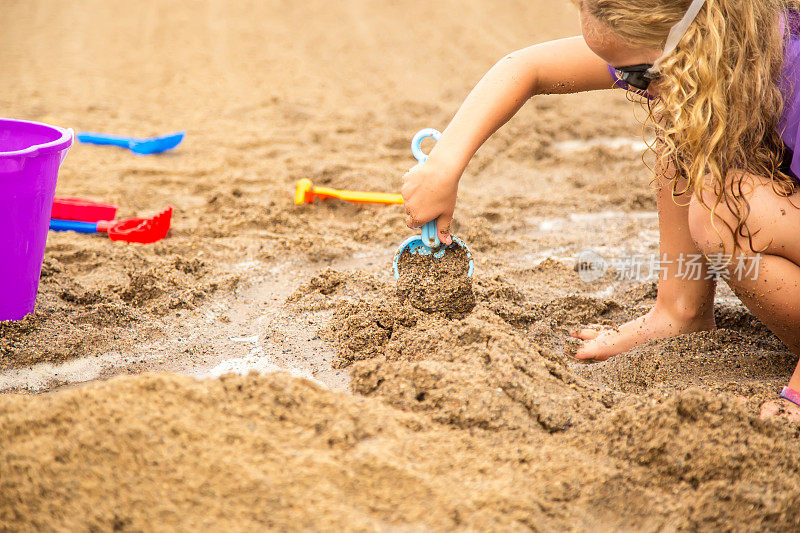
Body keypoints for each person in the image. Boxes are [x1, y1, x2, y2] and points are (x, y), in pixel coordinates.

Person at [400, 0, 800, 421]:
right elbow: (527, 68)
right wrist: (444, 166)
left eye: (637, 74)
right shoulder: (705, 40)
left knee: (725, 213)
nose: (632, 86)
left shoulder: (793, 70)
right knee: (684, 116)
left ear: (698, 34)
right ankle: (678, 312)